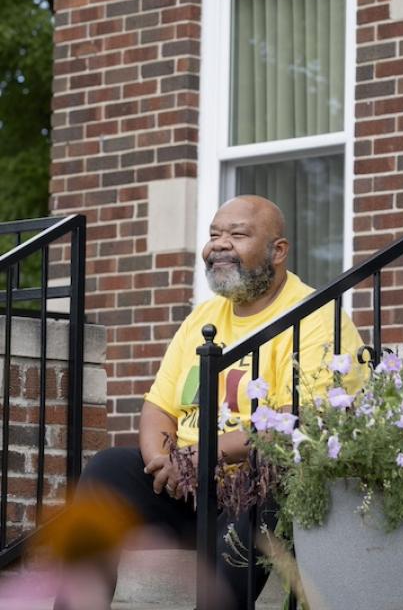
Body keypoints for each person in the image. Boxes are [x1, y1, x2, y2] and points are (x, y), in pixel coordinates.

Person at [55, 195, 366, 610]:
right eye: (214, 235)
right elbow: (159, 406)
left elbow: (305, 421)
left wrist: (203, 456)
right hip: (187, 485)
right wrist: (167, 463)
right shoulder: (204, 316)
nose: (219, 244)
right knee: (107, 469)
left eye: (237, 234)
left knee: (265, 488)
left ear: (278, 251)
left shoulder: (313, 315)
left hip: (255, 486)